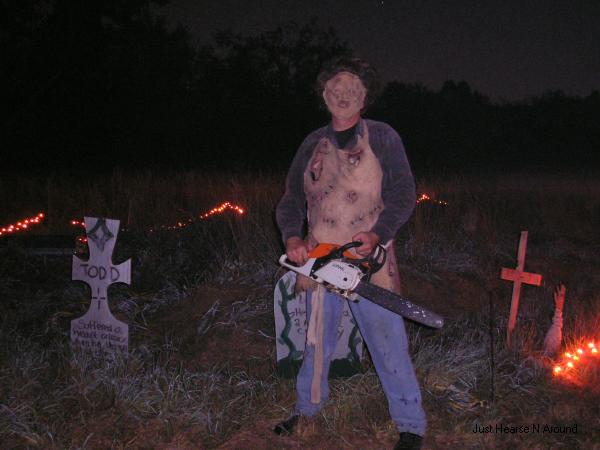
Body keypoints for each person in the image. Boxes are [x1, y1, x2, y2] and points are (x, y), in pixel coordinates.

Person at [274, 57, 426, 450]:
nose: (343, 95)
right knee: (315, 340)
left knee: (388, 342)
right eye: (335, 89)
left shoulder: (384, 137)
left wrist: (378, 234)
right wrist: (292, 238)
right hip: (320, 259)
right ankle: (306, 411)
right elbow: (291, 200)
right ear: (324, 95)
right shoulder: (312, 143)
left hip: (370, 261)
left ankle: (410, 425)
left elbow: (404, 194)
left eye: (352, 89)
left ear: (364, 96)